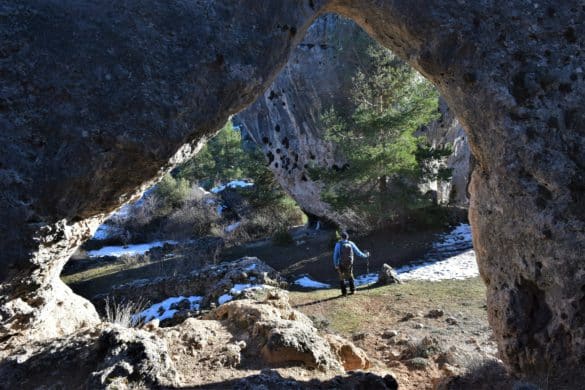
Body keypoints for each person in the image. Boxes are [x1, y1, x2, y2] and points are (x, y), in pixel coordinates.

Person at [333, 231, 370, 296]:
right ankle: (353, 290)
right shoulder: (351, 243)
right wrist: (366, 255)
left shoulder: (338, 244)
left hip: (341, 263)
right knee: (350, 275)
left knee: (342, 277)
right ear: (347, 237)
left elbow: (335, 256)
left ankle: (344, 293)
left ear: (341, 237)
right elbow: (358, 253)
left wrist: (336, 265)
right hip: (349, 263)